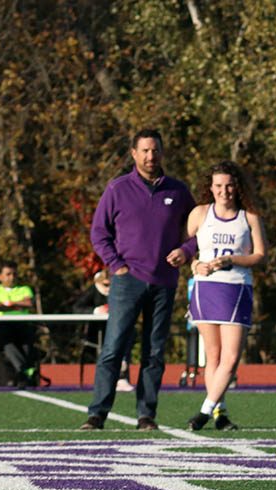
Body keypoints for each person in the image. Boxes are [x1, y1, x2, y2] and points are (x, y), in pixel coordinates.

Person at [80, 129, 196, 431]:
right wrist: (116, 265)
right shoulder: (117, 189)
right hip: (127, 281)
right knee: (114, 347)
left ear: (162, 153)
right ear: (134, 153)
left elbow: (198, 231)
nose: (150, 156)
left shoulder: (179, 191)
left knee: (155, 351)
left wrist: (186, 251)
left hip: (164, 282)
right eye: (144, 150)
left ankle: (147, 415)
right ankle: (97, 414)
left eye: (155, 150)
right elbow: (99, 233)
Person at [185, 160, 267, 431]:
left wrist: (233, 259)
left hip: (236, 288)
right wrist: (195, 264)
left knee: (231, 359)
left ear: (237, 187)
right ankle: (220, 413)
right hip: (206, 288)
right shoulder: (200, 213)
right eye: (219, 185)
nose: (224, 191)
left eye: (229, 185)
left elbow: (259, 255)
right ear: (211, 187)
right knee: (213, 355)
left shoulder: (249, 217)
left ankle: (204, 411)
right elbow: (187, 248)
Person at [72, 269, 134, 392]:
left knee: (126, 339)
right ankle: (106, 379)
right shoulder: (93, 291)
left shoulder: (121, 289)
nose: (108, 288)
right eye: (105, 284)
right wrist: (95, 311)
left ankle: (121, 375)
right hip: (96, 332)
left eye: (110, 284)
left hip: (119, 329)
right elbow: (77, 307)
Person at [0, 261, 39, 388]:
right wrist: (16, 305)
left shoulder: (24, 289)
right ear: (0, 277)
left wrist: (6, 304)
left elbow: (28, 303)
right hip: (2, 327)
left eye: (14, 274)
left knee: (27, 336)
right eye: (8, 274)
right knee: (5, 337)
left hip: (22, 326)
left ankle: (22, 372)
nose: (12, 277)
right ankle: (25, 370)